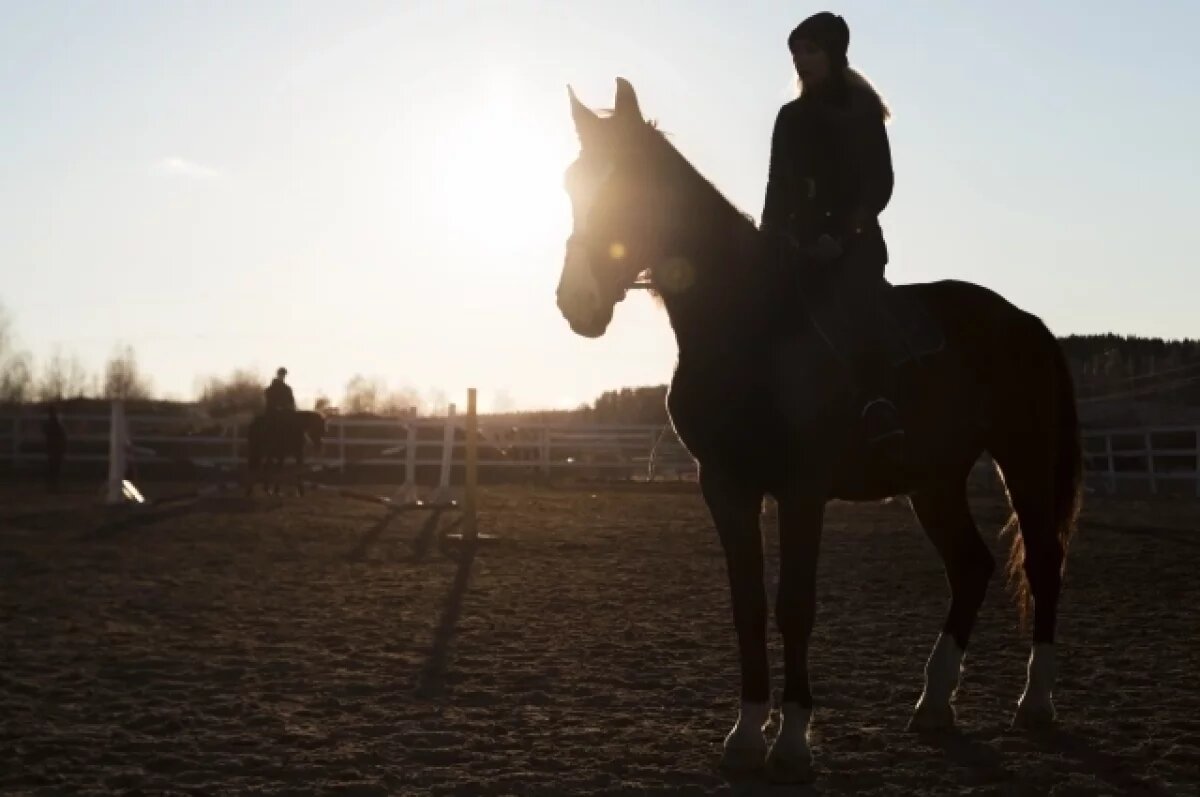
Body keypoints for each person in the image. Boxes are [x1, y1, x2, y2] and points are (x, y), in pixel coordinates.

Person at [761, 11, 903, 454]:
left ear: (834, 53)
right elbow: (776, 188)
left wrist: (841, 237)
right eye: (796, 51)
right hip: (797, 244)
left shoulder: (861, 112)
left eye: (811, 49)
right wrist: (766, 243)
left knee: (857, 304)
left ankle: (878, 402)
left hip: (854, 243)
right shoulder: (789, 117)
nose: (801, 60)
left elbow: (879, 184)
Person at [263, 367, 296, 441]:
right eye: (281, 374)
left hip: (285, 411)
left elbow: (291, 401)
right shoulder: (270, 389)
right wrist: (276, 407)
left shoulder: (287, 389)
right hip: (272, 412)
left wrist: (289, 407)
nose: (282, 376)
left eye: (283, 375)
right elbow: (269, 400)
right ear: (278, 375)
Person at [43, 404, 67, 493]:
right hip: (56, 447)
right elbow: (62, 434)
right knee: (55, 466)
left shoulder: (49, 422)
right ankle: (54, 486)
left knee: (52, 466)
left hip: (52, 446)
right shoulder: (56, 422)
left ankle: (51, 485)